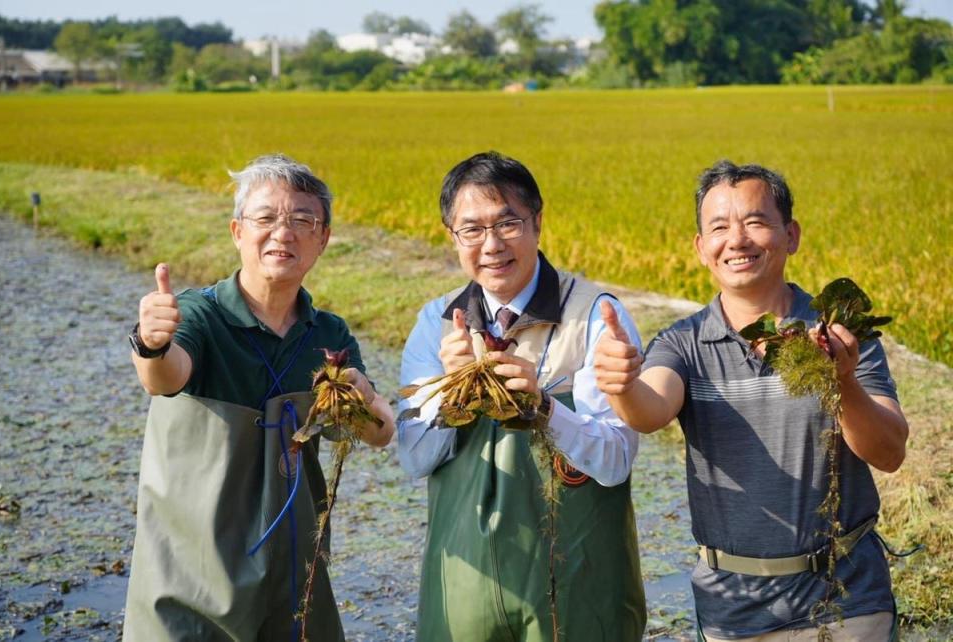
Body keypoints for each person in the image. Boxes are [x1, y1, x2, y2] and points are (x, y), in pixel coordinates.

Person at [594, 160, 909, 641]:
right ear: (702, 249)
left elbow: (889, 453)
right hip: (734, 612)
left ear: (791, 235)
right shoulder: (684, 344)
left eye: (756, 222)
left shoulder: (837, 335)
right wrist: (620, 384)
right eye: (719, 227)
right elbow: (649, 410)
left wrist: (842, 380)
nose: (736, 240)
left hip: (849, 602)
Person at [123, 153, 395, 642]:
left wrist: (364, 397)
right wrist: (152, 343)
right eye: (266, 218)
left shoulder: (327, 333)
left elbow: (379, 434)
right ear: (237, 232)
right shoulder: (198, 314)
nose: (283, 233)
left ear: (324, 238)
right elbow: (162, 378)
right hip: (190, 578)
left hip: (293, 576)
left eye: (302, 220)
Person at [398, 151, 647, 641]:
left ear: (537, 222)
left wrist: (545, 406)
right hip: (468, 584)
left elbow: (617, 458)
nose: (491, 245)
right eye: (471, 229)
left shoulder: (597, 316)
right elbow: (414, 457)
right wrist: (451, 394)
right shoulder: (436, 324)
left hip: (581, 581)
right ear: (452, 236)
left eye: (508, 222)